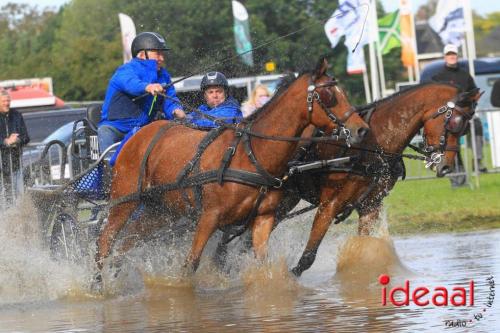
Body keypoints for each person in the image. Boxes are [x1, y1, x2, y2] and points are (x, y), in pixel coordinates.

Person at [98, 31, 185, 155]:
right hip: (116, 128)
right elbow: (130, 83)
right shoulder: (126, 70)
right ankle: (106, 170)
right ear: (143, 54)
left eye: (162, 54)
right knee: (105, 132)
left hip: (142, 129)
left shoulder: (163, 75)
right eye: (158, 53)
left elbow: (170, 99)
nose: (162, 58)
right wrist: (148, 87)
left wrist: (176, 110)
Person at [431, 44, 479, 186]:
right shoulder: (437, 77)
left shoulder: (465, 75)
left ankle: (479, 163)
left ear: (457, 56)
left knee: (478, 128)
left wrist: (471, 111)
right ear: (445, 56)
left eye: (454, 54)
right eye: (449, 54)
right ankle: (457, 178)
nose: (452, 56)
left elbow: (475, 94)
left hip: (465, 118)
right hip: (446, 120)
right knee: (452, 146)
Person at [0, 89, 30, 204]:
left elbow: (26, 137)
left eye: (8, 101)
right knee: (4, 198)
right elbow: (4, 141)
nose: (6, 103)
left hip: (16, 164)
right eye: (3, 101)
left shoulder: (17, 115)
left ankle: (20, 220)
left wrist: (17, 140)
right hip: (1, 167)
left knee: (19, 197)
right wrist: (6, 142)